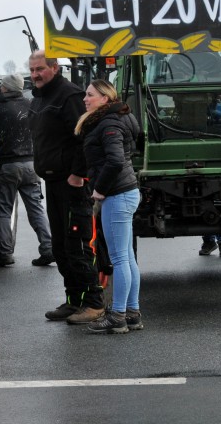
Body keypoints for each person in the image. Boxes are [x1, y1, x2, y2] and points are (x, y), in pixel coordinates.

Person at [28, 50, 104, 324]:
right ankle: (74, 300)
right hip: (52, 181)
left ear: (55, 68)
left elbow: (83, 137)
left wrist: (77, 173)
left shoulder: (69, 96)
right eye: (32, 69)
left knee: (77, 244)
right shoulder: (41, 98)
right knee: (60, 246)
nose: (35, 74)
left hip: (70, 183)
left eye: (40, 69)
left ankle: (94, 303)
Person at [75, 79, 142, 334]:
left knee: (120, 259)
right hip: (126, 192)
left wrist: (99, 190)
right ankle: (132, 312)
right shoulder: (113, 119)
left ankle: (118, 315)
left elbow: (114, 161)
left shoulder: (108, 123)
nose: (85, 99)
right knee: (127, 257)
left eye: (90, 95)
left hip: (117, 194)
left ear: (105, 99)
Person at [0, 73, 53, 267]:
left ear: (5, 88)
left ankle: (5, 254)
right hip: (32, 164)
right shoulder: (32, 104)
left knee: (3, 210)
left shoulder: (0, 106)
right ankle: (47, 248)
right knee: (36, 209)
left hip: (9, 165)